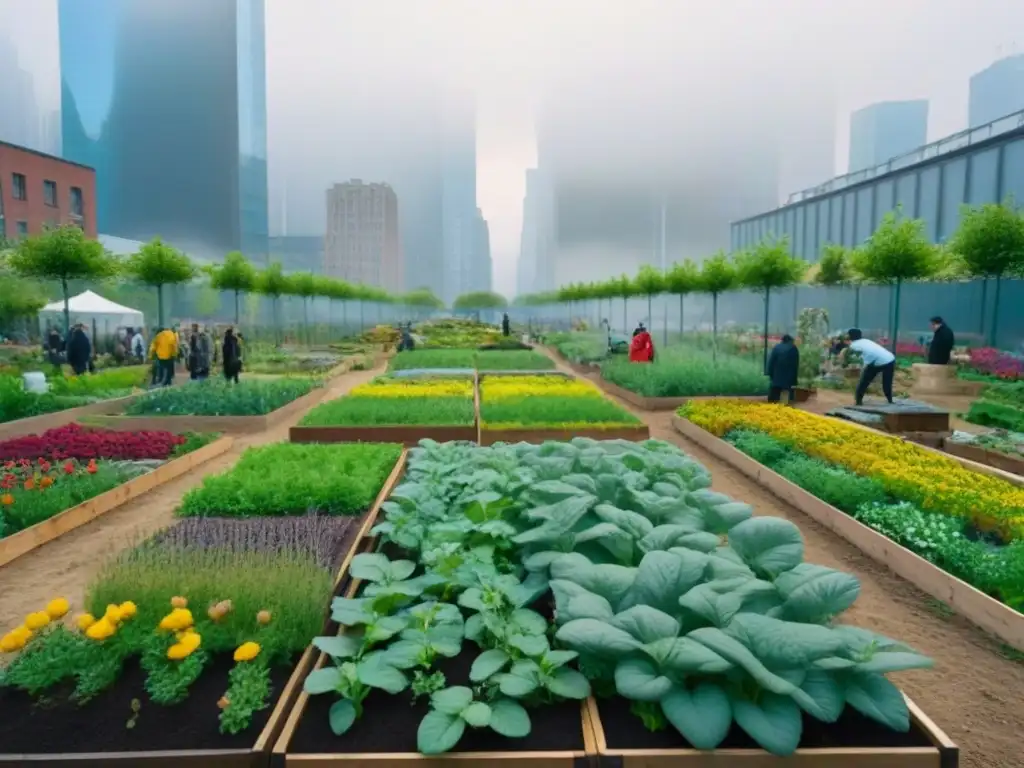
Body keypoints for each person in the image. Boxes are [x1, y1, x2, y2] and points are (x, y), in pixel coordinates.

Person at [845, 328, 896, 405]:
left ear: (850, 336)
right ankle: (890, 401)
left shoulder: (853, 345)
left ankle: (858, 402)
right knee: (887, 383)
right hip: (889, 359)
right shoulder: (865, 340)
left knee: (863, 382)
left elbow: (858, 357)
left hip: (877, 361)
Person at [765, 334, 800, 404]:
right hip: (788, 380)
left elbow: (771, 362)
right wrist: (794, 380)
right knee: (785, 400)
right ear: (790, 341)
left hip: (776, 378)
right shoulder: (793, 348)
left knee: (773, 399)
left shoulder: (776, 347)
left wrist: (770, 374)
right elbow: (795, 365)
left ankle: (771, 409)